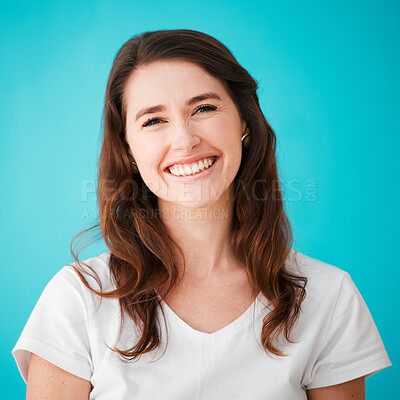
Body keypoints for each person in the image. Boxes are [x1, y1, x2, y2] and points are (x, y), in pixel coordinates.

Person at [12, 29, 391, 399]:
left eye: (204, 108)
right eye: (153, 120)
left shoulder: (327, 295)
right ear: (128, 148)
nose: (185, 140)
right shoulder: (78, 298)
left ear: (245, 121)